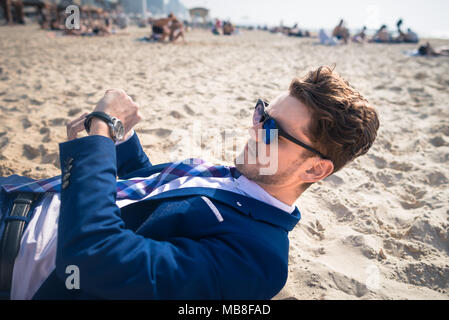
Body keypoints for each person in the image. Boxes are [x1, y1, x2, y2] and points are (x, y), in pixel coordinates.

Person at [0, 66, 379, 300]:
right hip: (23, 193)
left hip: (14, 250)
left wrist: (98, 136)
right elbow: (148, 199)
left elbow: (93, 259)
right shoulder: (242, 178)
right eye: (263, 112)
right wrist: (120, 142)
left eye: (273, 129)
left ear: (315, 170)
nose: (255, 128)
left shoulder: (258, 259)